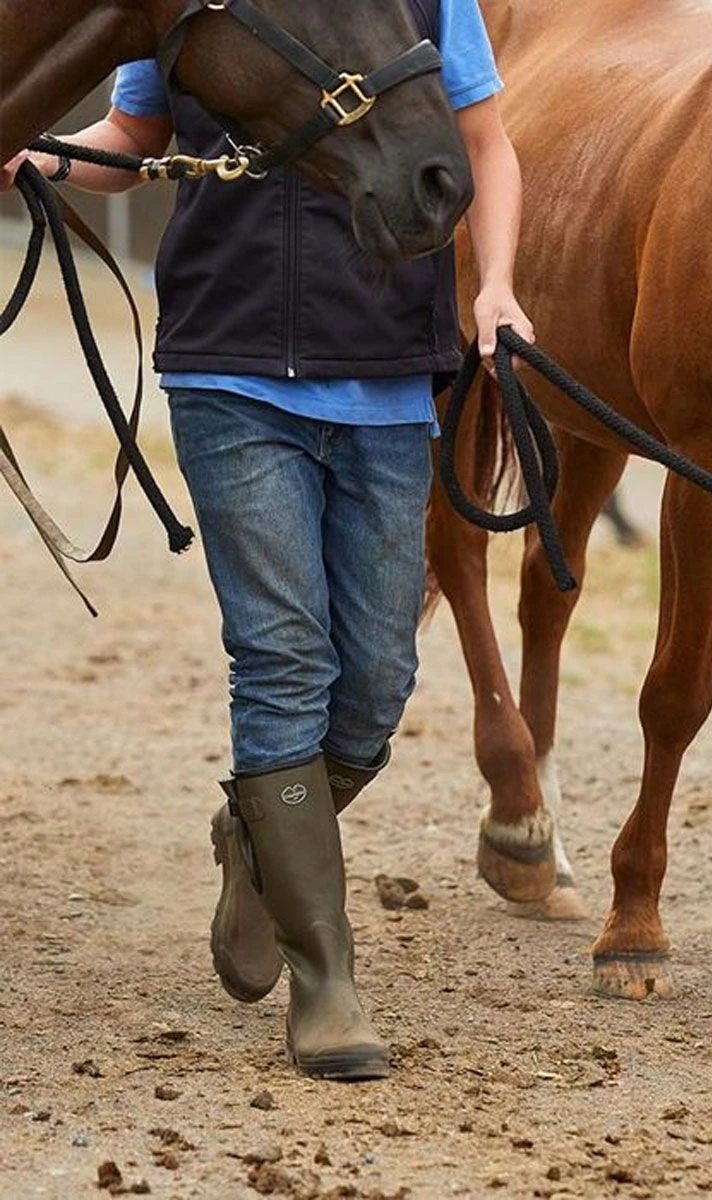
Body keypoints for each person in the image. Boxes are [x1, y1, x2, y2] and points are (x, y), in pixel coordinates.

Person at [3, 0, 533, 1082]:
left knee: (376, 685)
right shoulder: (199, 10)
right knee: (284, 658)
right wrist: (36, 165)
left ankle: (261, 834)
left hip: (389, 370)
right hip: (231, 363)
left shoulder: (430, 1)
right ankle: (325, 979)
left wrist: (498, 289)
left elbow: (484, 140)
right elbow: (128, 142)